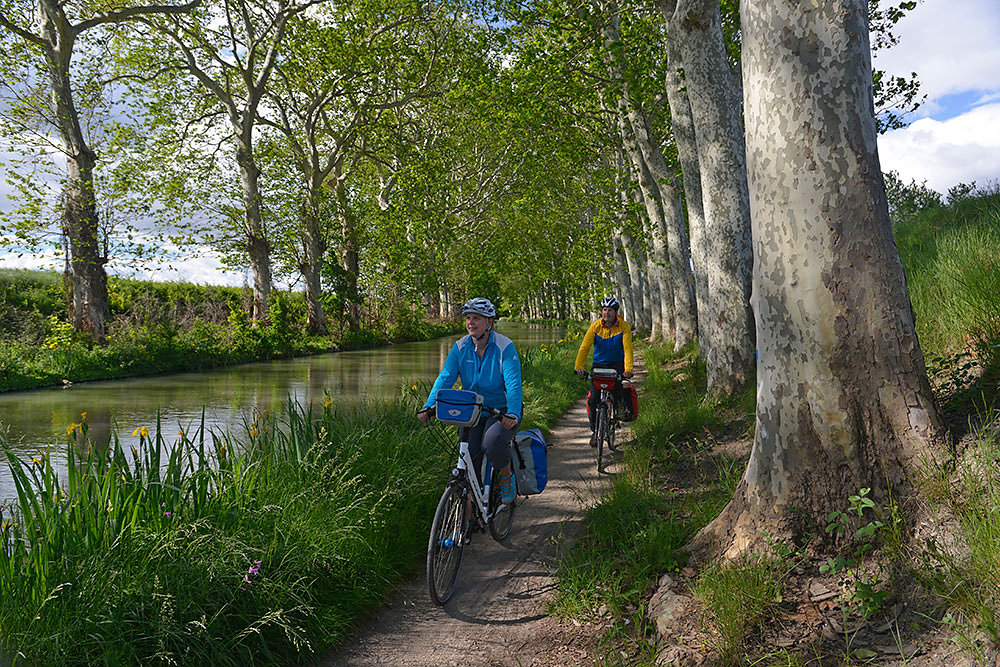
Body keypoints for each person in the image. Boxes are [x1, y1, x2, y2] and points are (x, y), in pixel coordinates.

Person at [418, 297, 522, 505]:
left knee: (491, 442)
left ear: (489, 322)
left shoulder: (504, 347)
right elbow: (445, 378)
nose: (470, 323)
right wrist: (428, 406)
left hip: (500, 411)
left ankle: (506, 475)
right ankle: (467, 520)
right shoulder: (461, 347)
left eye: (476, 318)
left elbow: (513, 384)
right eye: (468, 318)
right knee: (467, 463)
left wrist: (512, 413)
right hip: (471, 412)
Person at [574, 295, 633, 447]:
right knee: (593, 399)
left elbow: (627, 349)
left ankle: (618, 412)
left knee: (618, 392)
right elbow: (585, 347)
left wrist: (628, 369)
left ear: (615, 312)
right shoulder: (595, 327)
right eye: (605, 310)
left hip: (616, 365)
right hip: (598, 365)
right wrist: (579, 367)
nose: (607, 313)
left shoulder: (623, 326)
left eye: (610, 310)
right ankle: (595, 432)